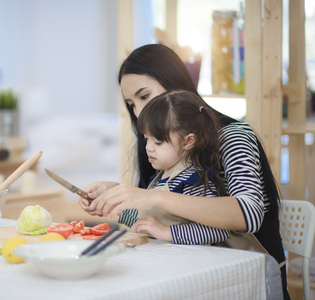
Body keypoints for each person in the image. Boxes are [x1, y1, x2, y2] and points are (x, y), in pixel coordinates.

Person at [79, 44, 289, 299]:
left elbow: (249, 214)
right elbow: (157, 217)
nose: (138, 112)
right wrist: (117, 199)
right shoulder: (161, 147)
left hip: (246, 275)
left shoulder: (233, 136)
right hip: (187, 268)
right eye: (131, 104)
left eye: (144, 96)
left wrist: (153, 197)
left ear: (175, 84)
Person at [128, 90, 230, 244]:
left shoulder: (193, 179)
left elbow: (217, 231)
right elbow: (144, 220)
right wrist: (111, 207)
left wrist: (167, 232)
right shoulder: (160, 177)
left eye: (158, 142)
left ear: (188, 141)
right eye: (146, 139)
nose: (148, 147)